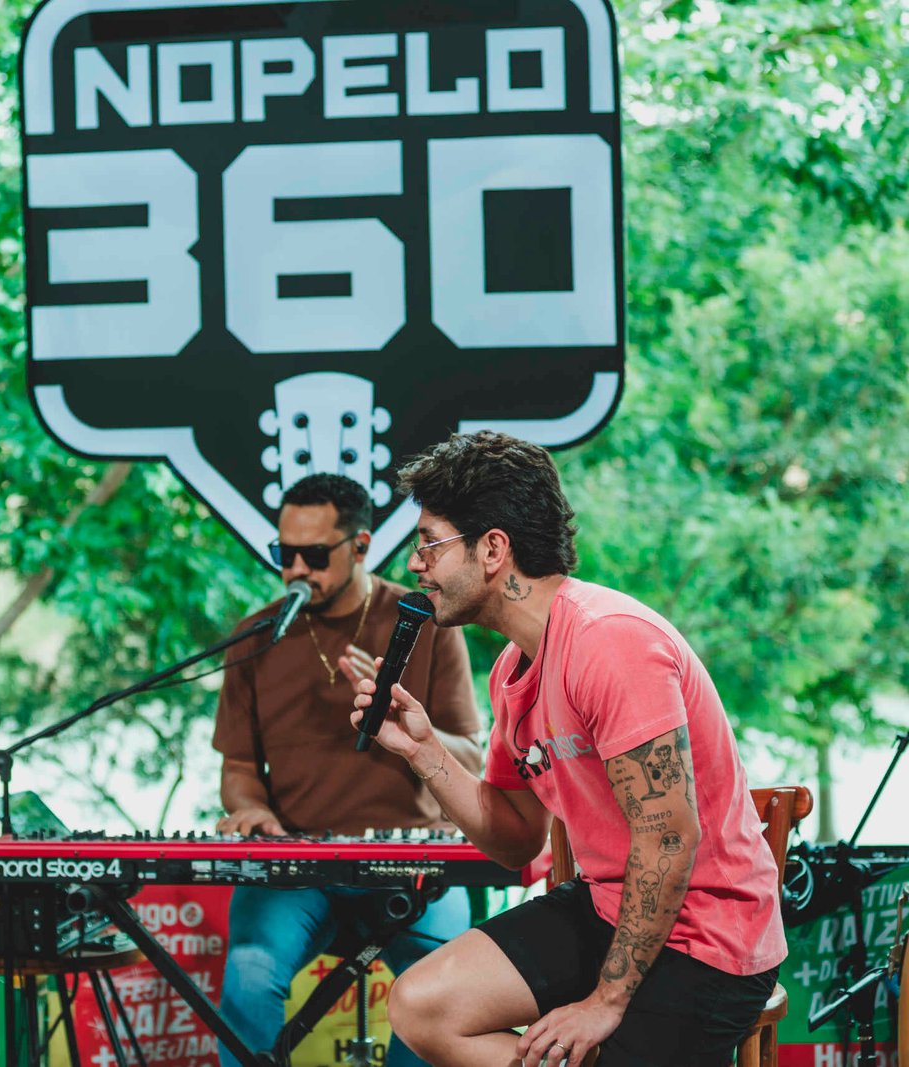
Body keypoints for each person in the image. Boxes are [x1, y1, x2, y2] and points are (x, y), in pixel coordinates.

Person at [352, 431, 782, 1066]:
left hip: (706, 939)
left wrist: (604, 1001)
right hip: (606, 907)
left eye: (430, 543)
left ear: (492, 548)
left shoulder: (610, 642)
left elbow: (669, 837)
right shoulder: (511, 668)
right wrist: (424, 753)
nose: (416, 565)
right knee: (422, 1004)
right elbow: (516, 839)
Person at [212, 473, 482, 1067]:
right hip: (296, 866)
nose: (295, 570)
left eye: (313, 556)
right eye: (284, 554)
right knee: (250, 972)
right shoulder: (254, 638)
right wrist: (250, 807)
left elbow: (471, 752)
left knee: (442, 990)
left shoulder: (427, 619)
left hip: (413, 863)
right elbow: (239, 765)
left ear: (360, 546)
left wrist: (412, 730)